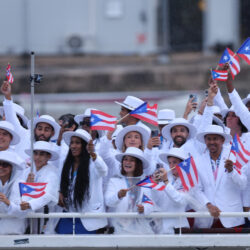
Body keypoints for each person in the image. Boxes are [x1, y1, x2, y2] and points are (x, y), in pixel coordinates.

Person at [194, 125, 247, 229]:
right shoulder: (197, 161)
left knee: (234, 245)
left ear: (222, 140)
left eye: (215, 139)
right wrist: (208, 205)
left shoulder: (234, 156)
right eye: (209, 139)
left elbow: (243, 184)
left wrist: (232, 171)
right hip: (208, 218)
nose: (212, 142)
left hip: (231, 217)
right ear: (205, 140)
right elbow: (196, 189)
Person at [56, 128, 108, 234]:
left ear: (85, 146)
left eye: (77, 143)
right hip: (68, 215)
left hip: (87, 219)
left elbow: (104, 171)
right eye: (72, 143)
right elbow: (60, 183)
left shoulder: (93, 163)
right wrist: (59, 192)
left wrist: (93, 154)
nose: (73, 146)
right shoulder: (66, 164)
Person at [105, 147, 154, 234]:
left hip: (141, 230)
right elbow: (108, 202)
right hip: (119, 229)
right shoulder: (115, 180)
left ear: (138, 164)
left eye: (131, 160)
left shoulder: (144, 182)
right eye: (125, 159)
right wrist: (118, 195)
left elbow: (149, 203)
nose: (127, 162)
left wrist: (144, 209)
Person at [18, 141, 60, 234]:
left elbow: (48, 195)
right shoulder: (26, 171)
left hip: (45, 216)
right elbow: (18, 190)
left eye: (41, 154)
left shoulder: (52, 173)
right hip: (27, 216)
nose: (37, 157)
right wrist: (27, 185)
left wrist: (30, 204)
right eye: (35, 153)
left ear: (48, 157)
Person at [152, 148, 193, 234]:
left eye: (174, 162)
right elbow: (157, 201)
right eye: (170, 162)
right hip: (162, 227)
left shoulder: (189, 181)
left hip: (179, 227)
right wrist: (154, 185)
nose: (171, 165)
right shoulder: (166, 178)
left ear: (182, 163)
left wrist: (166, 182)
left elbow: (180, 201)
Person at [0, 151, 26, 234]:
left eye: (5, 165)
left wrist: (7, 202)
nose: (1, 167)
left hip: (13, 233)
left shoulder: (20, 184)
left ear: (12, 167)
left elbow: (22, 211)